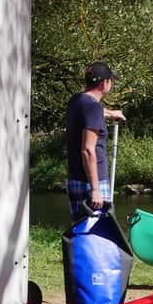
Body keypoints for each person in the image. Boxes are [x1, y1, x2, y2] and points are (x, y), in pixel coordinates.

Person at [64, 61, 126, 221]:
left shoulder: (77, 101)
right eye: (111, 80)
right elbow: (87, 150)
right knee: (97, 234)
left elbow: (90, 112)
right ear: (104, 83)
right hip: (91, 182)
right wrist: (95, 189)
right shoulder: (92, 107)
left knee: (82, 231)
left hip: (76, 178)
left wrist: (111, 113)